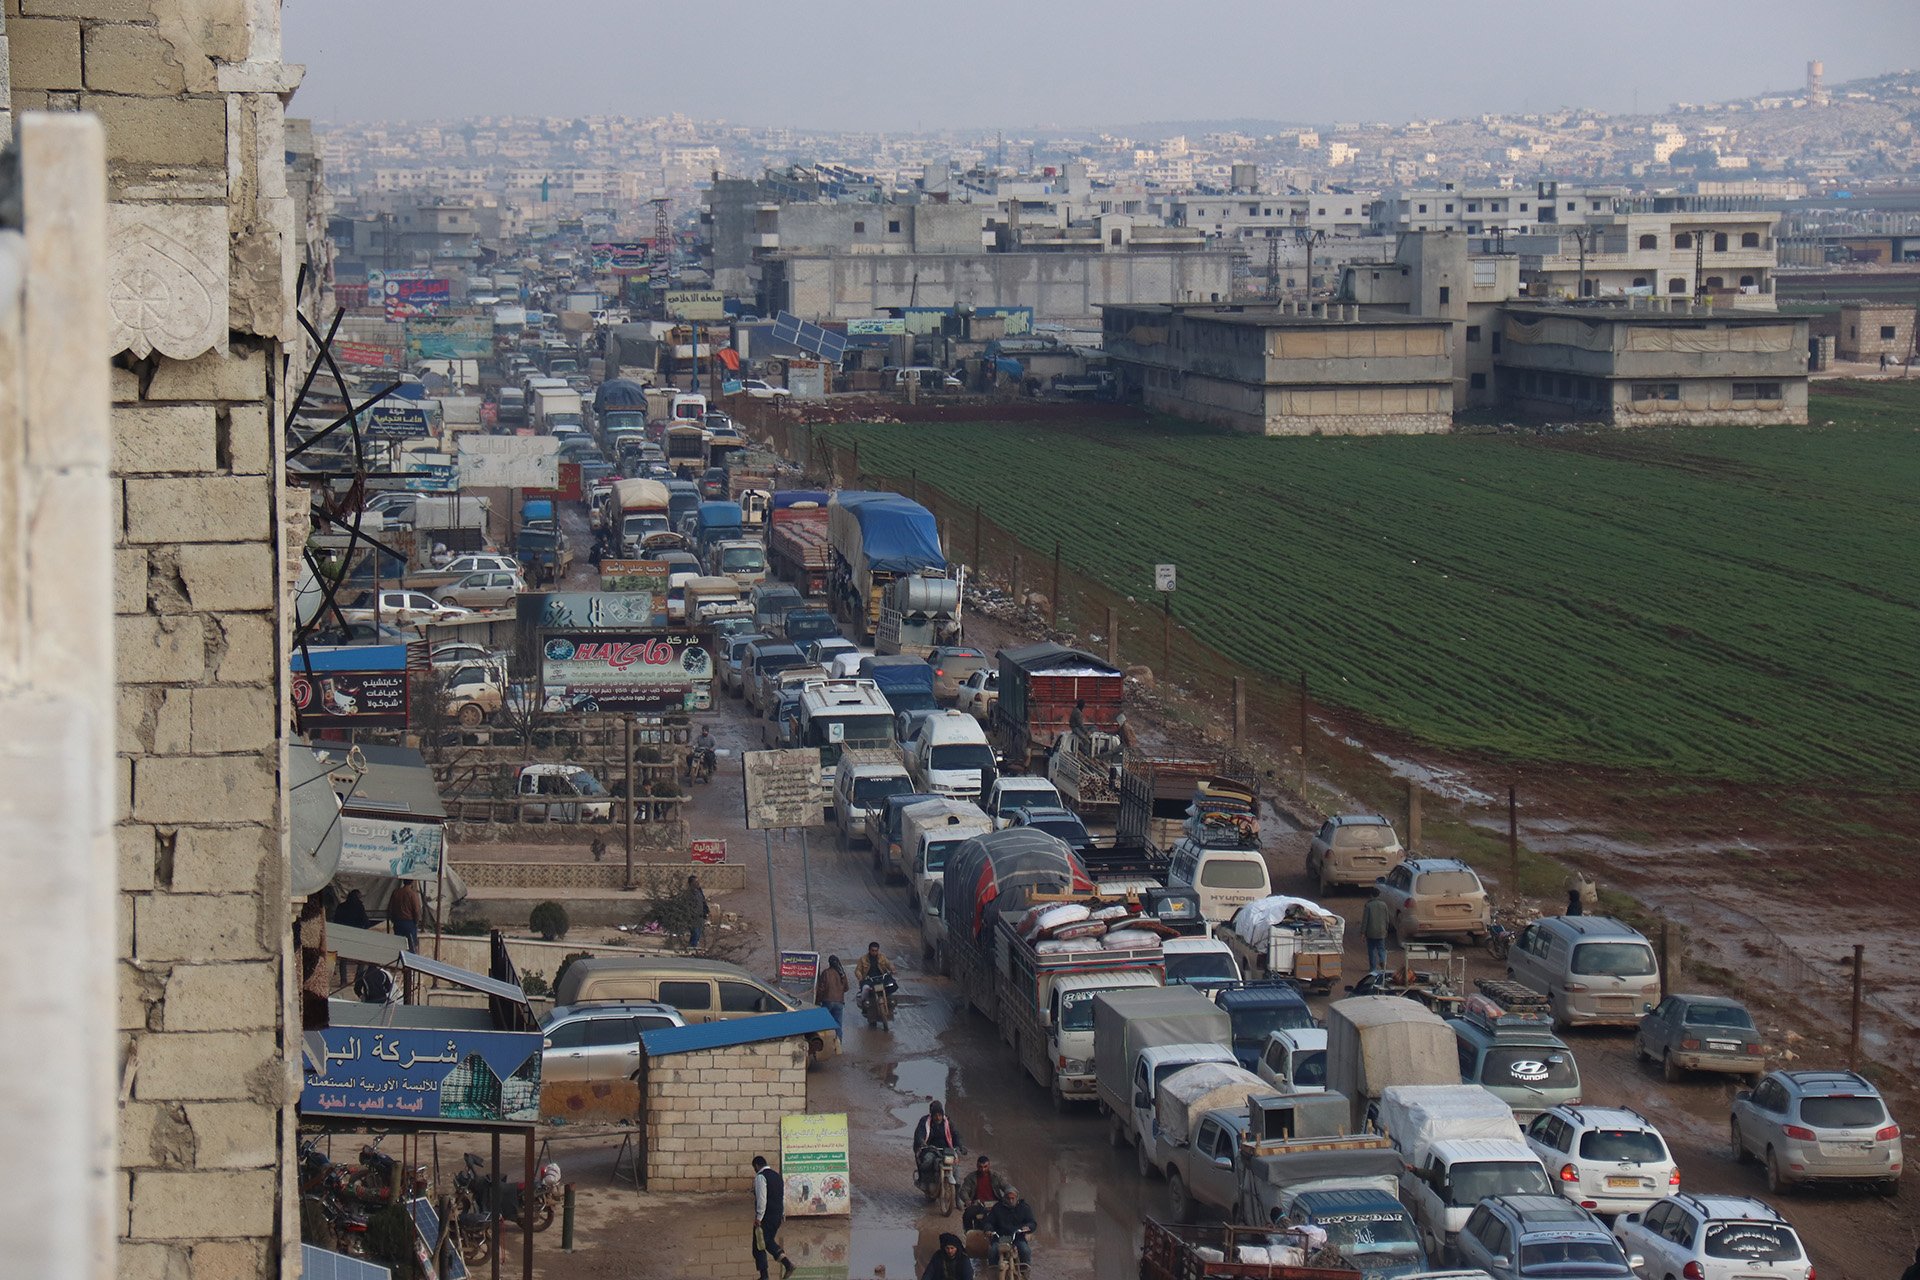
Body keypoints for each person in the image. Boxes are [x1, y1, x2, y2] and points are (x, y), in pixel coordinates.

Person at [749, 1155, 794, 1280]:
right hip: (777, 1216)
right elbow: (782, 1197)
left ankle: (765, 1276)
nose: (755, 1170)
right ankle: (786, 1264)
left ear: (757, 1166)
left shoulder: (760, 1177)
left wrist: (759, 1217)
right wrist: (783, 1214)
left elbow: (762, 1199)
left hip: (766, 1217)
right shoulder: (777, 1176)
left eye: (754, 1168)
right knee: (766, 1242)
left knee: (758, 1246)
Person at [912, 1100, 962, 1187]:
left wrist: (959, 1146)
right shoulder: (925, 1122)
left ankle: (957, 1189)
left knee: (955, 1163)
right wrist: (922, 1143)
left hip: (946, 1149)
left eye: (940, 1115)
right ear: (931, 1114)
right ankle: (925, 1181)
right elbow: (920, 1134)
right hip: (930, 1149)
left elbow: (956, 1134)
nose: (938, 1117)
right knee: (927, 1161)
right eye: (935, 1115)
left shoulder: (948, 1122)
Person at [984, 1186, 1037, 1267]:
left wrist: (1028, 1227)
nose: (1011, 1201)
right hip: (1000, 1237)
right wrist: (988, 1229)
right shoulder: (997, 1208)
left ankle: (1025, 1271)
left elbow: (1032, 1222)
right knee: (993, 1251)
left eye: (1013, 1198)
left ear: (1017, 1198)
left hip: (1017, 1237)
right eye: (1008, 1198)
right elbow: (989, 1222)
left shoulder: (1024, 1208)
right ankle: (993, 1271)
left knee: (1025, 1251)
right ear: (1005, 1198)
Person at [331, 889, 370, 984]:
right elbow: (365, 921)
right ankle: (358, 979)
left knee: (343, 959)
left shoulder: (341, 906)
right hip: (357, 935)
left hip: (343, 935)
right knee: (361, 958)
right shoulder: (359, 907)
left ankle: (343, 981)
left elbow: (336, 921)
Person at [961, 1154, 1009, 1232]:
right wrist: (967, 1200)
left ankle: (1008, 1235)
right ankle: (969, 1233)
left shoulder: (996, 1176)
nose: (983, 1169)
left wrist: (1010, 1193)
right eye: (980, 1167)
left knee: (1009, 1213)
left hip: (995, 1204)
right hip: (979, 1205)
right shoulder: (971, 1177)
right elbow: (964, 1190)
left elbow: (1006, 1186)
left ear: (989, 1165)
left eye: (985, 1167)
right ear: (977, 1166)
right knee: (967, 1214)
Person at [388, 880, 424, 954]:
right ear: (412, 882)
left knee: (398, 945)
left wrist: (392, 919)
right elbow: (416, 910)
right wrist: (416, 921)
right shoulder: (412, 894)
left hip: (397, 922)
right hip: (409, 923)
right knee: (412, 946)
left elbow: (390, 907)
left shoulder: (396, 892)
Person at [815, 955, 849, 1032]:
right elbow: (846, 988)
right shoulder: (842, 974)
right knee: (838, 1025)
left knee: (824, 1024)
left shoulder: (826, 973)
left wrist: (817, 1001)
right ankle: (838, 1042)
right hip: (839, 1002)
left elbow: (821, 989)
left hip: (827, 1001)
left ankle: (827, 1041)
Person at [1361, 885, 1390, 973]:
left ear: (1371, 895)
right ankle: (1382, 962)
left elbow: (1365, 920)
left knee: (1371, 950)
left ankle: (1373, 968)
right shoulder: (1384, 905)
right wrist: (1386, 929)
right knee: (1381, 949)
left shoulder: (1368, 905)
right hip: (1381, 932)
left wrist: (1362, 932)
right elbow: (1387, 919)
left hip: (1371, 932)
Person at [685, 874, 709, 949]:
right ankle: (692, 947)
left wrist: (707, 911)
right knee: (695, 932)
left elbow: (703, 902)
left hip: (701, 916)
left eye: (698, 882)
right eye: (696, 882)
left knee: (698, 933)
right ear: (691, 883)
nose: (698, 883)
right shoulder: (689, 893)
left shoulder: (699, 892)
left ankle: (692, 947)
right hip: (693, 917)